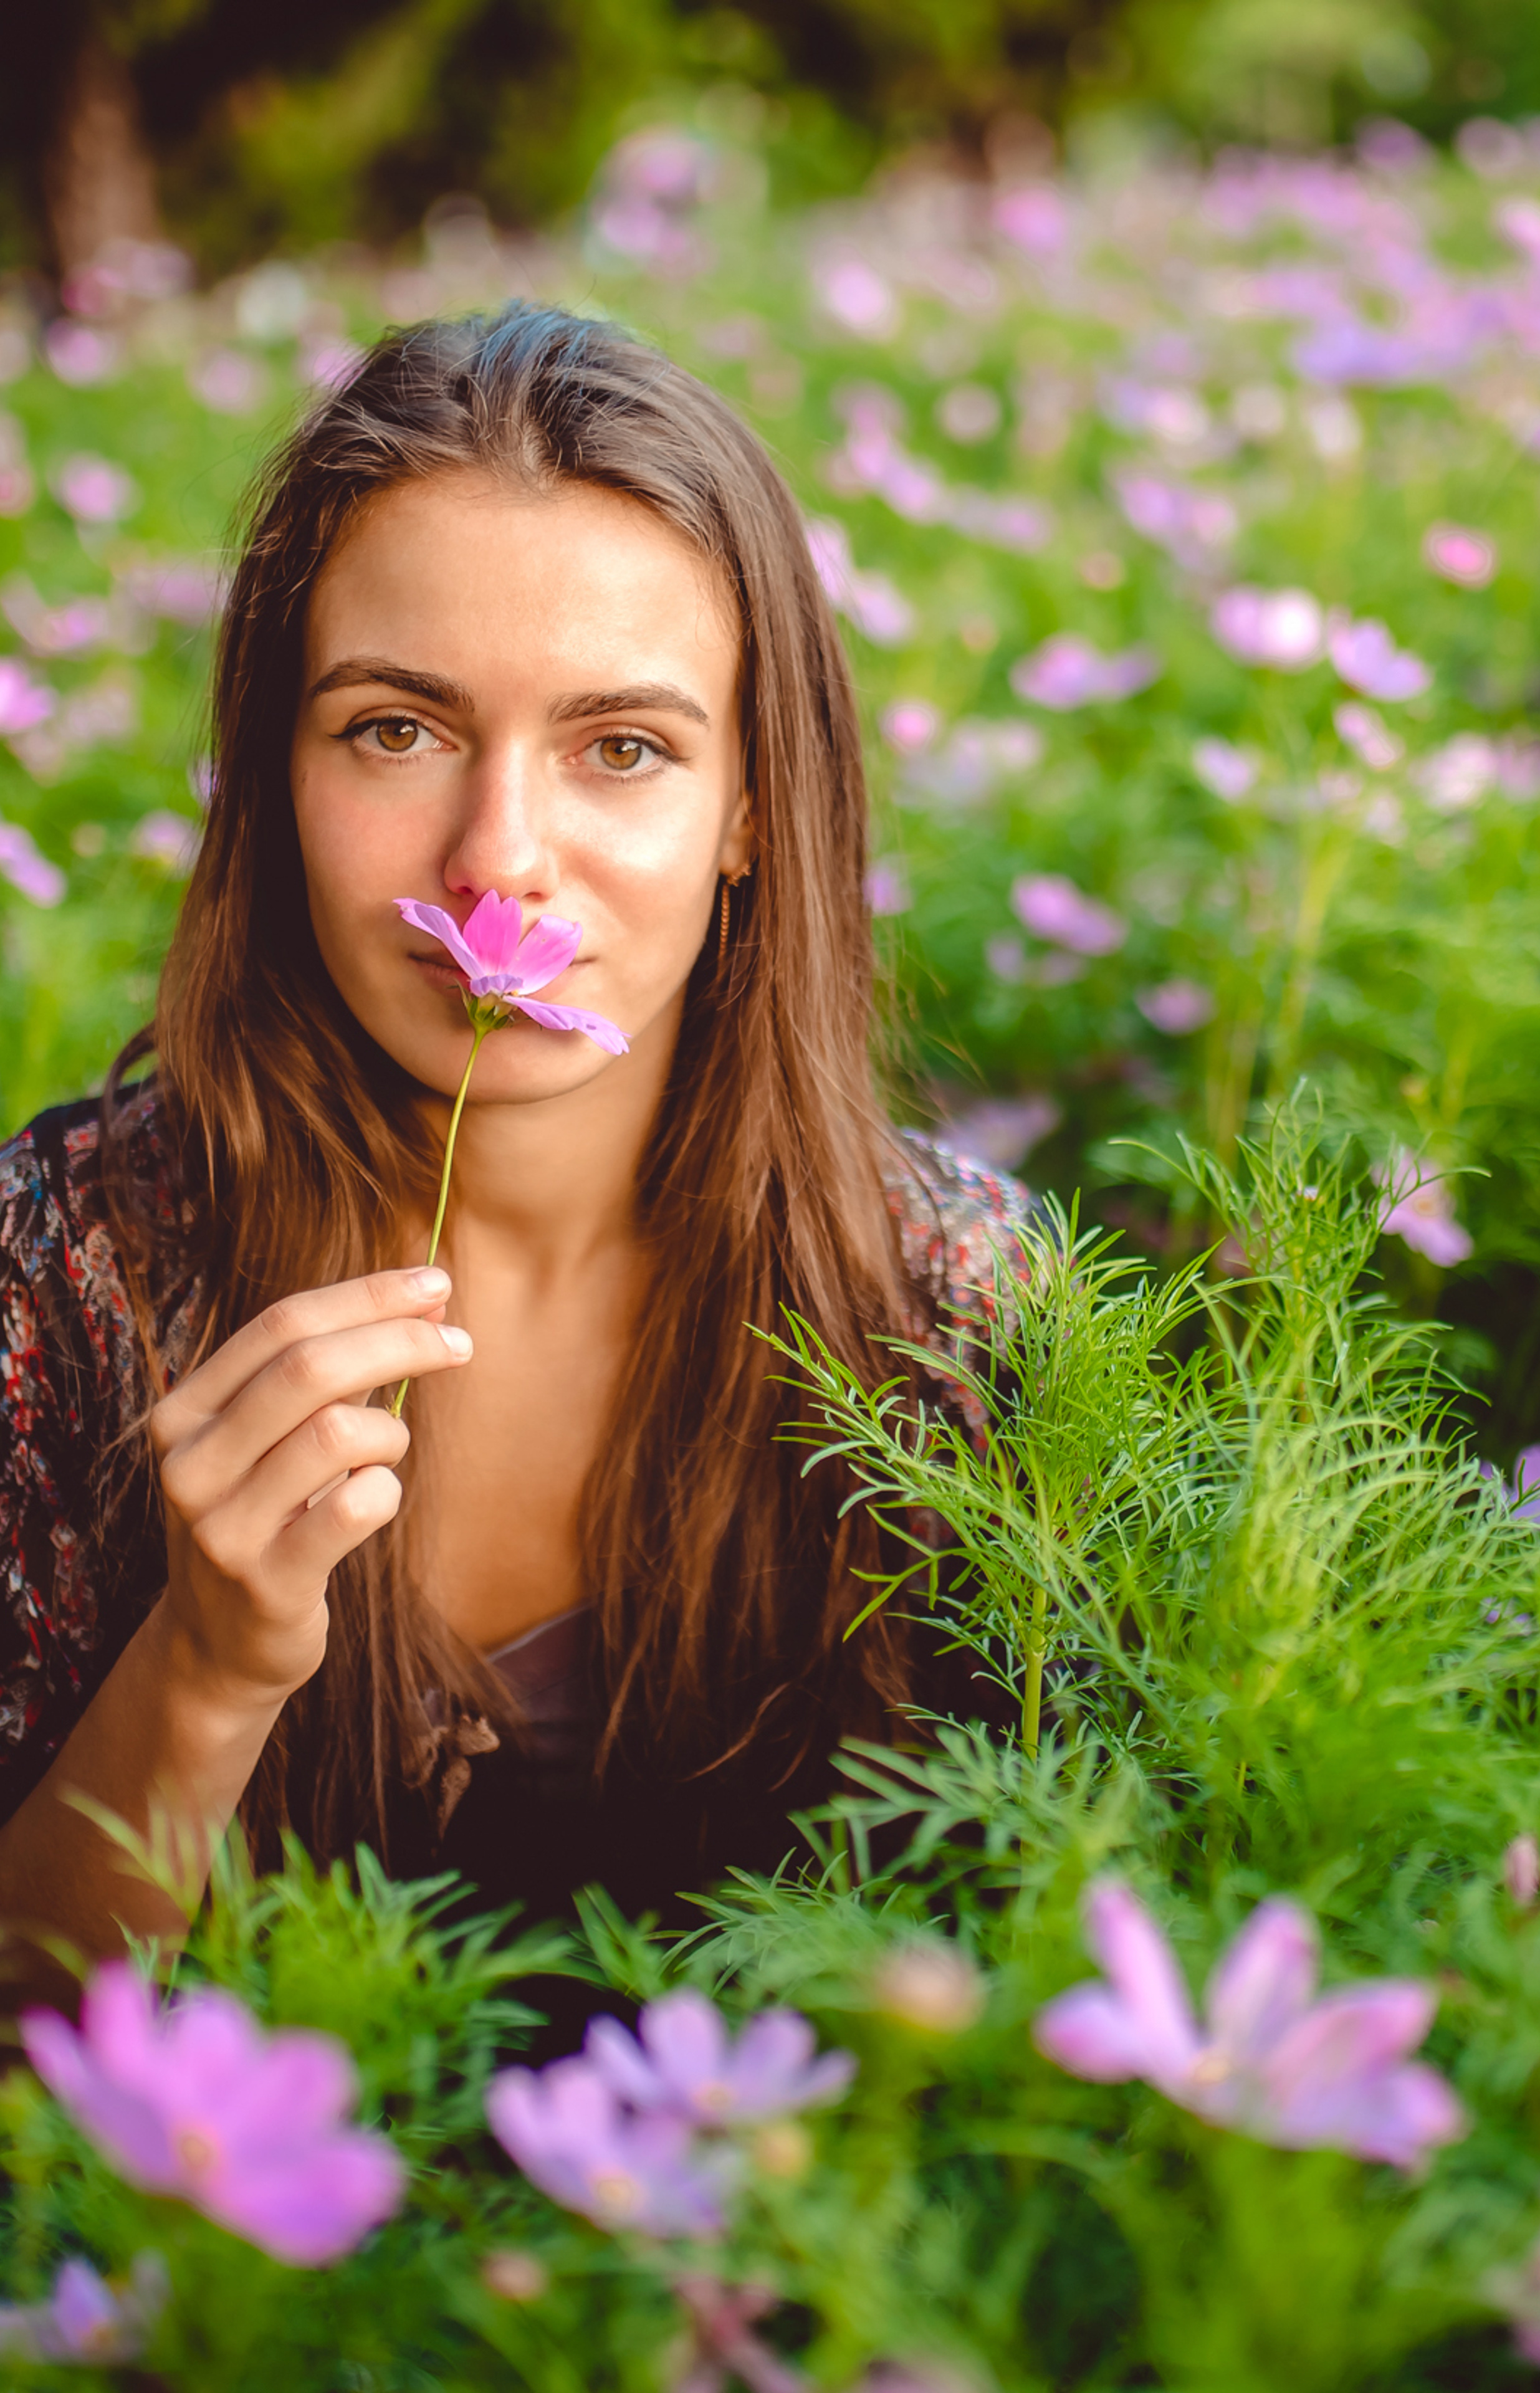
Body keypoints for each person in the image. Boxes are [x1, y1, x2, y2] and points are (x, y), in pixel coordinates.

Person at [0, 305, 1026, 1998]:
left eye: (622, 749)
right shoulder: (59, 1280)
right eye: (395, 729)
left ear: (753, 806)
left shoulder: (966, 1311)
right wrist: (202, 1668)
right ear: (275, 766)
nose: (497, 864)